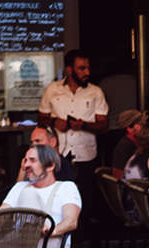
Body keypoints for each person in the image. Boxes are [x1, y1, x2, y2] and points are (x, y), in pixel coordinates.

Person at [40, 49, 108, 178]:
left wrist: (83, 126)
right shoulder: (52, 89)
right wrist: (54, 122)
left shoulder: (96, 92)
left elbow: (104, 125)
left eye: (88, 68)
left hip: (86, 156)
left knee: (85, 196)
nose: (87, 72)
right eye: (82, 68)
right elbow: (41, 118)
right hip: (58, 155)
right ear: (69, 70)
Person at [109, 109, 149, 181]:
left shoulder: (139, 143)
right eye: (141, 124)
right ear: (130, 128)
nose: (145, 127)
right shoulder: (124, 146)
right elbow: (117, 178)